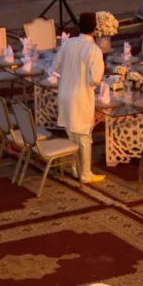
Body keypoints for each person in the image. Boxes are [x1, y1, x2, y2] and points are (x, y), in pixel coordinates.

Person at [54, 11, 106, 184]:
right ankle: (85, 173)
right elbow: (95, 79)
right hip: (81, 96)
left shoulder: (68, 43)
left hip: (64, 95)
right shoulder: (94, 49)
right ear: (95, 29)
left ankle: (75, 169)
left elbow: (56, 67)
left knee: (71, 135)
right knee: (84, 137)